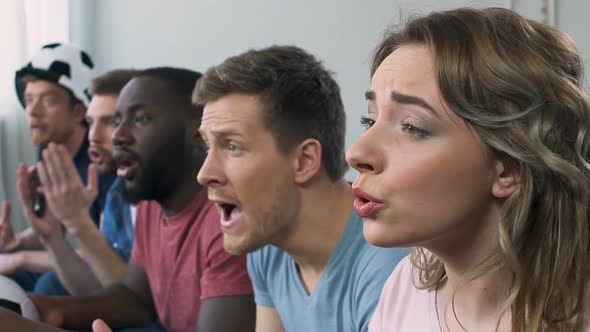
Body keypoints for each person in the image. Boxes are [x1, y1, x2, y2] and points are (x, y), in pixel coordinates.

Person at [345, 7, 590, 332]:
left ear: (509, 167)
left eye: (411, 126)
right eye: (370, 120)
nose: (356, 153)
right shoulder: (405, 288)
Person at [0, 67, 255, 332]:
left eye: (141, 119)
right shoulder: (151, 203)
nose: (118, 136)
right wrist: (47, 309)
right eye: (118, 120)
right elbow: (136, 300)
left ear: (197, 133)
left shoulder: (226, 222)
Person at [194, 45, 406, 332]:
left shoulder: (390, 269)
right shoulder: (267, 243)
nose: (205, 174)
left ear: (304, 160)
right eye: (207, 146)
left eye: (232, 146)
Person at [0, 43, 114, 290]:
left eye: (48, 101)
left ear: (78, 111)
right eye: (29, 100)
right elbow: (56, 228)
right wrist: (16, 243)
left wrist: (20, 258)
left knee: (45, 285)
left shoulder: (102, 161)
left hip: (103, 274)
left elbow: (102, 259)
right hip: (74, 261)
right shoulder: (49, 148)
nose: (33, 112)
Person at [24, 69, 139, 296]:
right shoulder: (118, 190)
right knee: (47, 288)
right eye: (91, 122)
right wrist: (51, 237)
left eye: (111, 122)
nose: (93, 136)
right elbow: (97, 284)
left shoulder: (117, 184)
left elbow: (133, 299)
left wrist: (78, 224)